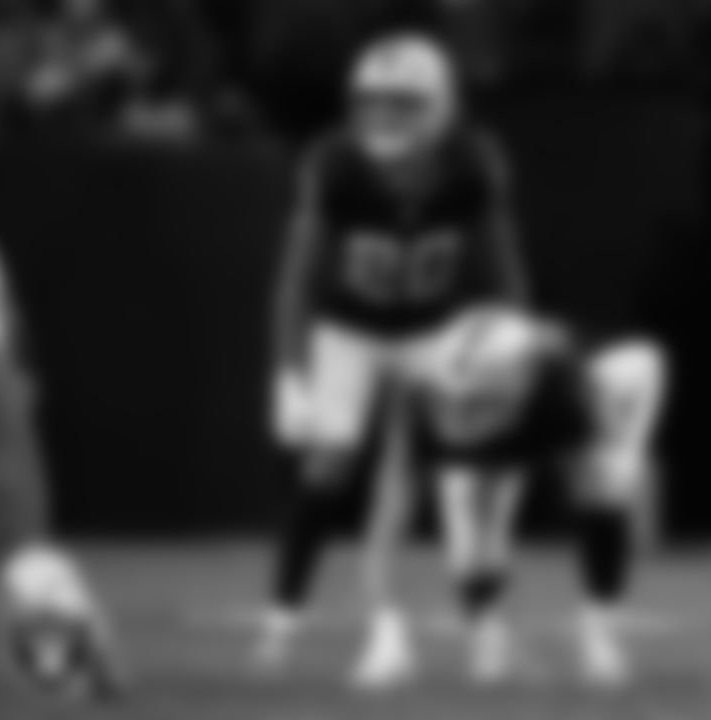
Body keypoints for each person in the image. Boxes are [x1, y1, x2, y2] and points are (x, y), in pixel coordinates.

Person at [258, 30, 528, 690]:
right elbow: (298, 276)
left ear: (441, 106)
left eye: (402, 103)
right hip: (349, 327)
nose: (383, 116)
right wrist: (290, 369)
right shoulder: (336, 163)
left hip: (433, 328)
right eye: (373, 101)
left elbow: (501, 265)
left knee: (456, 477)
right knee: (328, 463)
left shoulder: (471, 163)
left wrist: (512, 342)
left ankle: (479, 626)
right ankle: (282, 617)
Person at [421, 309, 668, 686]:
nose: (479, 414)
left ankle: (599, 632)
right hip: (484, 402)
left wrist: (633, 448)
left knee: (603, 490)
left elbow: (647, 362)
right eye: (472, 403)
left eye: (485, 402)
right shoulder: (446, 395)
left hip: (542, 398)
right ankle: (486, 634)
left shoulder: (563, 380)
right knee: (468, 505)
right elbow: (457, 496)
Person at [0, 229, 119, 701]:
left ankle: (66, 634)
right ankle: (68, 632)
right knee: (14, 532)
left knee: (11, 534)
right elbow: (9, 324)